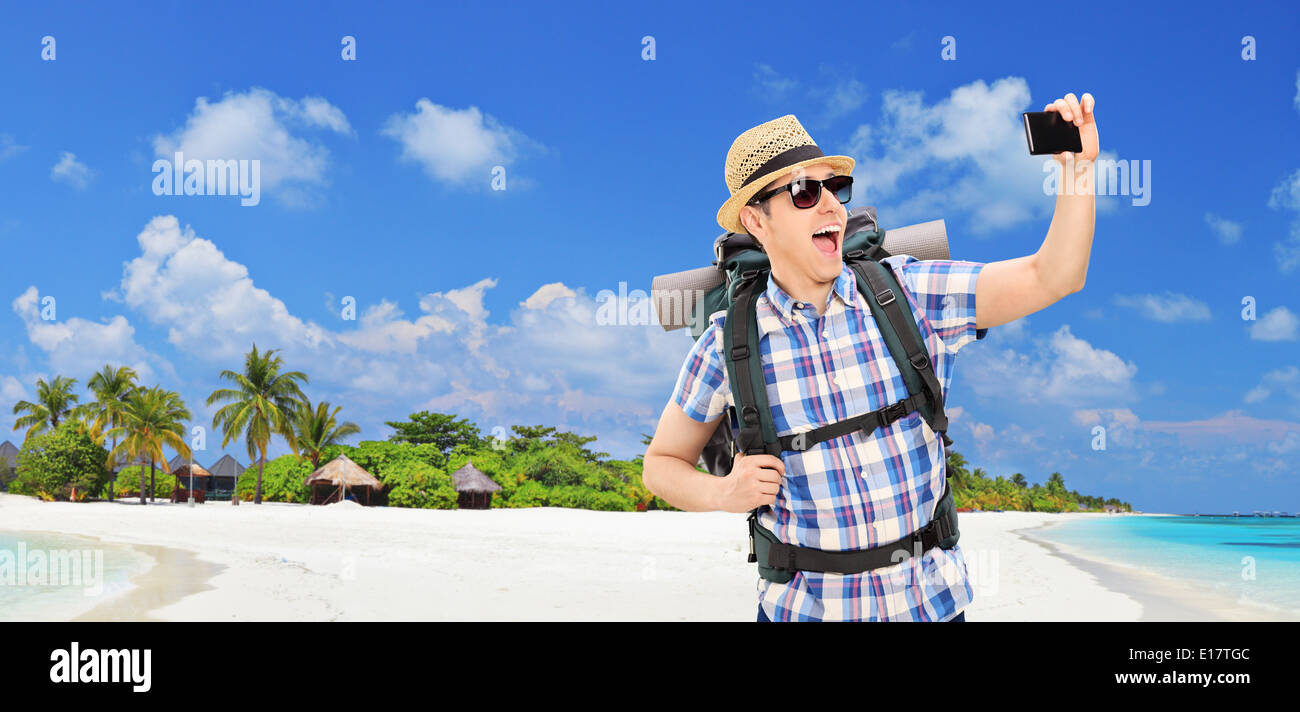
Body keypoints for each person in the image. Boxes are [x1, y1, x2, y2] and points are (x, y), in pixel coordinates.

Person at [643, 98, 1097, 622]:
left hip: (933, 607)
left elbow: (1054, 276)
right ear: (756, 220)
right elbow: (662, 464)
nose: (831, 207)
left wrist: (1078, 173)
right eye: (803, 192)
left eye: (834, 189)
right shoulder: (727, 344)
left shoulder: (908, 294)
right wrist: (723, 493)